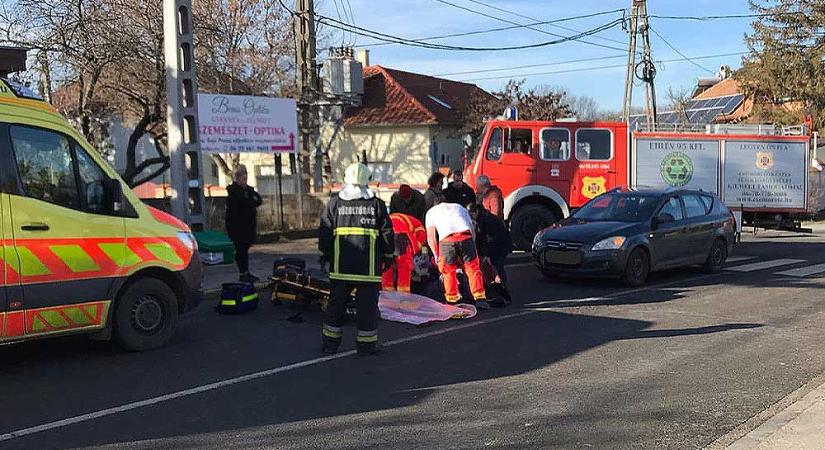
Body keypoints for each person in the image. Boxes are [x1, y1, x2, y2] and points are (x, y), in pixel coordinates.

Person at [318, 162, 394, 356]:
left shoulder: (335, 203)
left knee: (336, 306)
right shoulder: (375, 204)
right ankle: (367, 346)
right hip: (367, 270)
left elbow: (325, 233)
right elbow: (387, 233)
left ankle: (329, 344)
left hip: (340, 267)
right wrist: (388, 256)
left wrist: (326, 255)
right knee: (366, 309)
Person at [425, 202, 489, 309]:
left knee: (448, 271)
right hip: (466, 237)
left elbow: (431, 237)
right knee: (473, 268)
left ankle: (452, 300)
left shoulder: (430, 213)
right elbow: (471, 229)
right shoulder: (459, 207)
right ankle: (480, 298)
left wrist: (436, 255)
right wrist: (472, 247)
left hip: (446, 240)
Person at [225, 164, 263, 283]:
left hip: (248, 226)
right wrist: (250, 200)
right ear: (237, 177)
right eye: (242, 176)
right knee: (241, 251)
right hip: (238, 227)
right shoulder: (234, 191)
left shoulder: (249, 190)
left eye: (246, 176)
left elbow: (258, 200)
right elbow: (241, 205)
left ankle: (246, 272)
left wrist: (250, 194)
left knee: (245, 250)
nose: (245, 179)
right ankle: (243, 273)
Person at [467, 202, 512, 286]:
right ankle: (500, 284)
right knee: (496, 266)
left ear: (475, 211)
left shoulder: (487, 220)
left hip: (499, 246)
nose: (470, 217)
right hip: (498, 244)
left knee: (497, 266)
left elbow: (491, 238)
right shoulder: (483, 217)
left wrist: (486, 253)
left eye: (471, 214)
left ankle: (501, 286)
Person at [382, 213, 427, 293]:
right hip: (400, 234)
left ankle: (387, 292)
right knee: (404, 265)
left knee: (387, 265)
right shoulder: (420, 229)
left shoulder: (406, 220)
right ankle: (403, 295)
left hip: (386, 235)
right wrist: (414, 252)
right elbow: (414, 240)